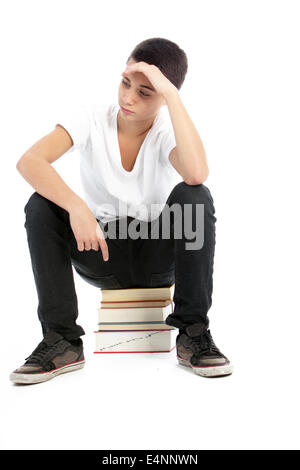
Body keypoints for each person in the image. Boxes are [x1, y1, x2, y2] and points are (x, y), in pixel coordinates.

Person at [10, 37, 233, 385]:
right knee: (40, 204)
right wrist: (77, 207)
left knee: (195, 195)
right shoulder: (91, 119)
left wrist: (173, 96)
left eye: (146, 92)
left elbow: (195, 173)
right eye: (126, 83)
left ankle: (192, 333)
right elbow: (30, 161)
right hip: (101, 250)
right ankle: (62, 340)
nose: (129, 97)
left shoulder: (167, 131)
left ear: (163, 95)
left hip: (157, 254)